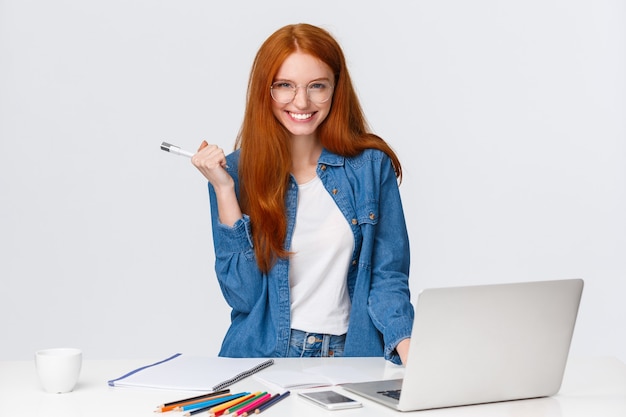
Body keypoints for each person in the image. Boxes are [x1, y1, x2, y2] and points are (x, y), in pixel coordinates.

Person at [191, 23, 413, 365]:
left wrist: (410, 353)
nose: (301, 101)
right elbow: (244, 297)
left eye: (317, 86)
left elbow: (388, 277)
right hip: (265, 358)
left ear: (335, 89)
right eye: (285, 86)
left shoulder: (370, 167)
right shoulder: (234, 173)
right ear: (266, 91)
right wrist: (224, 189)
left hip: (352, 356)